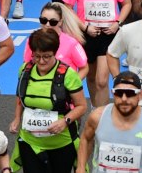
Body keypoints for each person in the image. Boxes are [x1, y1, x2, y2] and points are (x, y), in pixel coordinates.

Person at [7, 28, 90, 173]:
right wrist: (16, 118)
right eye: (36, 56)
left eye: (46, 56)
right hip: (30, 141)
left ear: (55, 53)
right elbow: (20, 97)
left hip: (61, 142)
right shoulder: (25, 70)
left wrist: (65, 121)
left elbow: (82, 106)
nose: (41, 61)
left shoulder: (68, 74)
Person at [63, 0, 132, 106]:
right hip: (87, 34)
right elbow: (67, 6)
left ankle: (102, 114)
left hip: (108, 34)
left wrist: (117, 23)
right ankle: (96, 109)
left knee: (102, 80)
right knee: (91, 77)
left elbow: (127, 4)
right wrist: (84, 27)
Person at [76, 71, 142, 173]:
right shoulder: (97, 117)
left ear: (140, 95)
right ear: (113, 93)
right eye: (119, 93)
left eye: (130, 93)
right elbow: (85, 139)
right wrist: (81, 167)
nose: (124, 98)